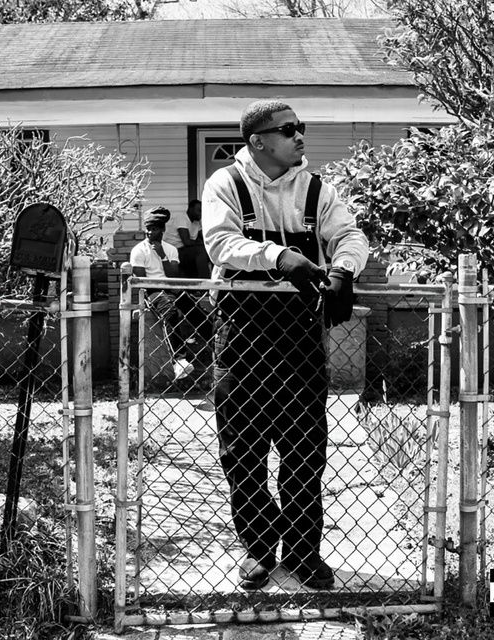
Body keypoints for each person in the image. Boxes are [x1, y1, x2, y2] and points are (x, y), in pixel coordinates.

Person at [202, 99, 370, 590]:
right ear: (258, 141)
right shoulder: (225, 184)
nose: (300, 136)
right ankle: (258, 548)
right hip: (241, 332)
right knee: (242, 449)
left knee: (304, 448)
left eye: (301, 127)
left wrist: (343, 269)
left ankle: (301, 552)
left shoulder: (317, 189)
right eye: (288, 129)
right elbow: (220, 243)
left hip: (299, 333)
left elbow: (350, 236)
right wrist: (280, 257)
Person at [130, 206, 195, 381]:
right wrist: (163, 289)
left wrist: (162, 255)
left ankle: (215, 347)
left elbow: (173, 275)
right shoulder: (138, 250)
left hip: (170, 286)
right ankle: (179, 361)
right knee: (170, 311)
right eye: (148, 228)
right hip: (151, 290)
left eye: (154, 228)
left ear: (163, 229)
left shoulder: (171, 249)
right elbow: (142, 281)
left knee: (193, 307)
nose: (150, 232)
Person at [176, 199, 211, 279]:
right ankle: (205, 281)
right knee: (201, 250)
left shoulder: (196, 222)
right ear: (191, 209)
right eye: (199, 210)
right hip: (176, 251)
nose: (201, 214)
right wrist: (201, 244)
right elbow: (187, 242)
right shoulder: (182, 218)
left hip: (187, 250)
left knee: (209, 251)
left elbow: (205, 238)